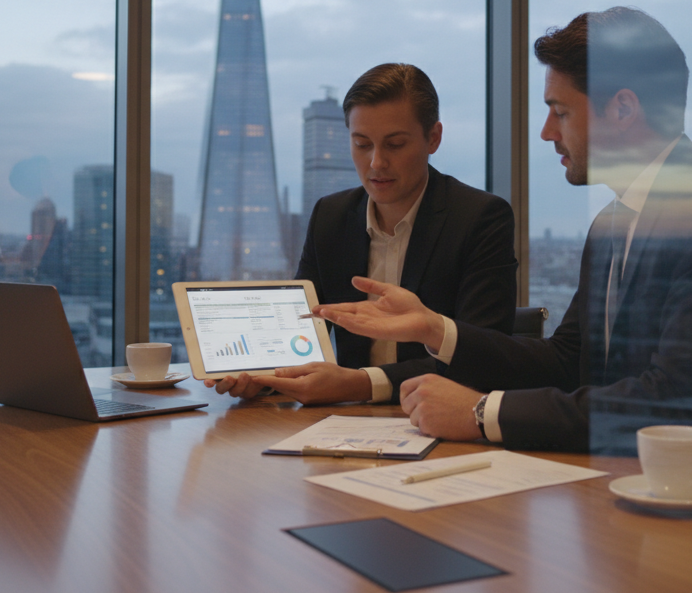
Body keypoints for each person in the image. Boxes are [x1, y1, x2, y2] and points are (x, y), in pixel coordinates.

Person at [305, 8, 692, 457]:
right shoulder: (614, 222)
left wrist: (484, 413)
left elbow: (674, 400)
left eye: (560, 111)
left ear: (623, 108)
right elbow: (568, 362)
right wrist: (433, 329)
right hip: (640, 483)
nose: (547, 132)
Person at [208, 63, 518, 404]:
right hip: (345, 421)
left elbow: (483, 358)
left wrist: (361, 384)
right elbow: (303, 333)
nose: (376, 163)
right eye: (361, 144)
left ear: (433, 138)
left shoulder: (479, 218)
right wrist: (265, 376)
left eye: (395, 144)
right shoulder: (331, 215)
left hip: (443, 420)